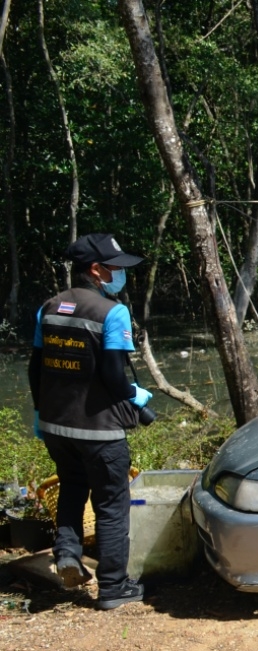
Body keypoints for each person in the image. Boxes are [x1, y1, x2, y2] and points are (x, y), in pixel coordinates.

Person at [28, 233, 153, 610]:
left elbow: (35, 369)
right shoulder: (111, 312)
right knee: (112, 504)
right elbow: (115, 378)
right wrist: (138, 397)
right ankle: (114, 588)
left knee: (71, 486)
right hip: (99, 430)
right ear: (96, 270)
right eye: (115, 268)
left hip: (55, 426)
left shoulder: (48, 307)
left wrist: (40, 414)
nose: (120, 274)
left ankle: (67, 554)